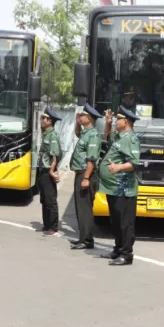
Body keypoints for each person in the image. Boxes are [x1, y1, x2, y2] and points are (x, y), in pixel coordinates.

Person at [98, 106, 142, 266]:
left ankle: (126, 254)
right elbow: (108, 137)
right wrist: (108, 122)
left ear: (126, 121)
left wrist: (118, 167)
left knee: (125, 223)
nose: (116, 121)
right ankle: (117, 249)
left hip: (125, 189)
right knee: (115, 221)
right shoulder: (119, 136)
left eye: (118, 119)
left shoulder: (131, 139)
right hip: (113, 188)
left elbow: (134, 163)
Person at [67, 103, 102, 250]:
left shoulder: (93, 135)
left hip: (86, 175)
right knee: (80, 208)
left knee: (85, 209)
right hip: (80, 174)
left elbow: (91, 160)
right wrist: (77, 122)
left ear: (90, 118)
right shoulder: (86, 132)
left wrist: (86, 178)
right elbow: (77, 134)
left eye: (83, 115)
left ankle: (87, 240)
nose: (80, 117)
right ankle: (83, 238)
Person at [38, 108, 62, 236]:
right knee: (44, 199)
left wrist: (52, 170)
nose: (41, 120)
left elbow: (55, 156)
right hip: (42, 171)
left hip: (48, 171)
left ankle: (53, 226)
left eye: (43, 118)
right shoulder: (46, 133)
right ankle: (46, 224)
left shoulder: (52, 136)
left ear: (50, 121)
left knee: (50, 200)